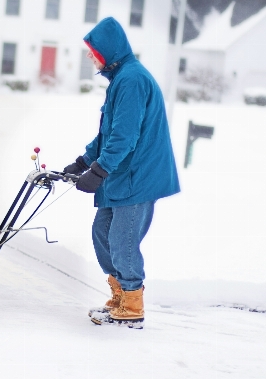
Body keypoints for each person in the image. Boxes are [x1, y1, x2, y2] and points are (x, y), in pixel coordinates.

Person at [63, 17, 180, 329]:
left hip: (139, 175)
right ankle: (119, 296)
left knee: (122, 240)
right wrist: (83, 161)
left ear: (108, 51)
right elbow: (109, 132)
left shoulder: (131, 81)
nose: (89, 55)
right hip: (124, 172)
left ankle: (131, 308)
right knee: (102, 233)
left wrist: (99, 171)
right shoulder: (122, 78)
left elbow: (124, 137)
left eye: (93, 50)